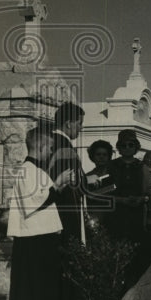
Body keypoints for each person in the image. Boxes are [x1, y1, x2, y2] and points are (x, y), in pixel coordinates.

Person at [7, 125, 74, 300]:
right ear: (43, 146)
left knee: (41, 284)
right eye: (51, 148)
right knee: (33, 285)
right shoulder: (28, 170)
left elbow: (44, 197)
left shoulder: (37, 171)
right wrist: (58, 183)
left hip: (42, 234)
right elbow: (35, 201)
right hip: (34, 236)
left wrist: (58, 185)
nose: (52, 153)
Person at [106, 130, 151, 286]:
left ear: (136, 147)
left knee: (136, 252)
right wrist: (121, 200)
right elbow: (104, 192)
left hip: (136, 215)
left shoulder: (143, 168)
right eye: (124, 145)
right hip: (116, 215)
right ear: (119, 148)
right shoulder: (111, 166)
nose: (127, 148)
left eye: (131, 145)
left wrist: (141, 199)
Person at [48, 101, 87, 247]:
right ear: (69, 123)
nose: (81, 128)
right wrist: (87, 181)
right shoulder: (63, 146)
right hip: (65, 211)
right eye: (79, 123)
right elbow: (69, 182)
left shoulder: (49, 142)